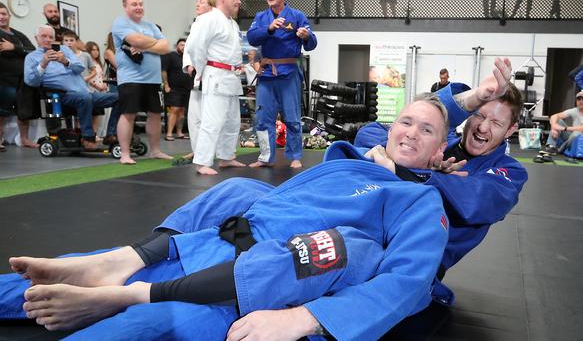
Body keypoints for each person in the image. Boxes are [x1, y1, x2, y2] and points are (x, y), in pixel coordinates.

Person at [5, 96, 452, 341]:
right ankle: (126, 261)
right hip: (198, 248)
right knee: (26, 288)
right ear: (389, 129)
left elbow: (406, 282)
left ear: (439, 152)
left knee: (139, 329)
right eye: (406, 122)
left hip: (263, 287)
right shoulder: (351, 162)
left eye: (427, 130)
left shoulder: (419, 199)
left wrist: (308, 318)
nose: (412, 132)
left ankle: (130, 293)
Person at [354, 58, 528, 334]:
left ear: (511, 130)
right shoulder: (439, 139)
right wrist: (473, 97)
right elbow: (369, 134)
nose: (483, 128)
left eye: (496, 123)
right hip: (364, 231)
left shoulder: (509, 171)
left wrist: (417, 172)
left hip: (413, 262)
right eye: (479, 115)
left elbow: (477, 201)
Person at [247, 0, 318, 169]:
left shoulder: (297, 15)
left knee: (293, 117)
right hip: (267, 74)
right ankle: (265, 156)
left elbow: (312, 43)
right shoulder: (261, 17)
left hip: (289, 74)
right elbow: (252, 38)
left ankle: (295, 155)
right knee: (263, 118)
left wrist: (306, 36)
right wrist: (269, 28)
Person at [182, 0, 246, 175]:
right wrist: (202, 69)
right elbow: (194, 46)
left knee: (232, 121)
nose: (239, 1)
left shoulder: (232, 23)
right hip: (215, 74)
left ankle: (226, 157)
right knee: (212, 121)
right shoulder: (208, 19)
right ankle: (202, 162)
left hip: (231, 76)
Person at [24, 25, 120, 149]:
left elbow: (80, 68)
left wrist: (65, 61)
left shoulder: (64, 49)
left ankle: (111, 134)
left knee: (121, 97)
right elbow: (31, 82)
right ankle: (87, 137)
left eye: (50, 37)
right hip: (60, 96)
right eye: (44, 36)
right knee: (84, 97)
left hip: (85, 92)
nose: (48, 39)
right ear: (36, 38)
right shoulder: (31, 57)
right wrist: (43, 64)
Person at [112, 0, 172, 164]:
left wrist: (144, 47)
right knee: (128, 114)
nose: (138, 7)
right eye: (134, 4)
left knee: (155, 115)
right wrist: (153, 43)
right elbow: (135, 40)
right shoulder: (120, 23)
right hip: (131, 78)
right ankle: (125, 154)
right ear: (125, 6)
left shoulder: (151, 26)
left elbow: (166, 47)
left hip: (153, 80)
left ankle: (155, 151)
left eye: (140, 4)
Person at [175, 0, 216, 166]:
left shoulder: (213, 21)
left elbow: (208, 49)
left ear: (211, 5)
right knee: (193, 118)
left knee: (208, 118)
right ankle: (197, 150)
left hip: (210, 74)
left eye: (202, 2)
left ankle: (207, 152)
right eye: (197, 1)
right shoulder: (196, 23)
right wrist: (189, 65)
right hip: (196, 78)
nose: (197, 4)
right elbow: (189, 49)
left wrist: (200, 65)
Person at [0, 1, 37, 150]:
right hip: (3, 79)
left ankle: (24, 139)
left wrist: (13, 47)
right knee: (1, 111)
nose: (1, 17)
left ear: (9, 15)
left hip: (22, 80)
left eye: (3, 13)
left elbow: (32, 50)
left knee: (24, 110)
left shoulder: (18, 35)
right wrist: (20, 52)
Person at [534, 90, 583, 162]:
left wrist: (565, 128)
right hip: (572, 138)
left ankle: (560, 149)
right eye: (578, 99)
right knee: (558, 121)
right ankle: (551, 147)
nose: (581, 101)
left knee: (576, 134)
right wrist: (553, 127)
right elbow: (554, 116)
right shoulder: (575, 110)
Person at [162, 38, 192, 141]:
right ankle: (169, 133)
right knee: (174, 110)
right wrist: (166, 85)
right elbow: (164, 71)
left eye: (185, 45)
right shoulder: (170, 56)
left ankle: (179, 132)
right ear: (177, 46)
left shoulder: (188, 58)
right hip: (174, 88)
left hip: (186, 88)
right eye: (181, 45)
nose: (183, 47)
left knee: (182, 111)